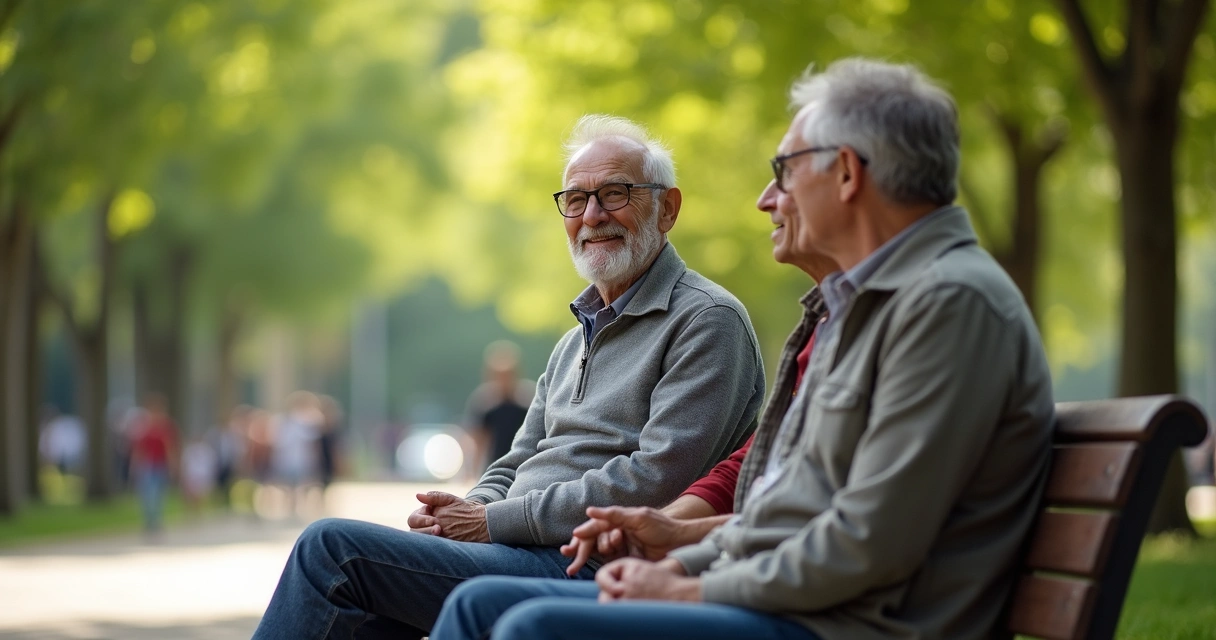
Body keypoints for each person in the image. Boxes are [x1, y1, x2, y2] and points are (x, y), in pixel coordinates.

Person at [431, 57, 1056, 640]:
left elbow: (866, 542)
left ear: (845, 172)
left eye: (785, 169)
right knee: (477, 606)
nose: (766, 198)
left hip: (851, 623)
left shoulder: (946, 303)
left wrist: (687, 587)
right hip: (803, 602)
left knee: (525, 627)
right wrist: (683, 552)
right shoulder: (876, 304)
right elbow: (794, 512)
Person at [252, 114, 766, 639]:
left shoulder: (707, 320)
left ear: (668, 208)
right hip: (515, 551)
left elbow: (656, 479)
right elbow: (516, 460)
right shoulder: (574, 342)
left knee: (332, 550)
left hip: (589, 562)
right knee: (364, 619)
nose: (591, 215)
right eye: (575, 199)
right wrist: (468, 508)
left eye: (615, 194)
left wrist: (490, 523)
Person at [463, 340, 535, 475]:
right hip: (493, 466)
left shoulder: (527, 401)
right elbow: (478, 439)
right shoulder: (485, 403)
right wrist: (472, 472)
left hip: (521, 466)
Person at [129, 394, 179, 536]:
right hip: (147, 465)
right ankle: (149, 520)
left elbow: (170, 448)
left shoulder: (165, 427)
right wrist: (135, 465)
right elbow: (139, 449)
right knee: (147, 494)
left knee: (158, 495)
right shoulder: (144, 427)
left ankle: (155, 520)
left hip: (160, 465)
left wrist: (173, 465)